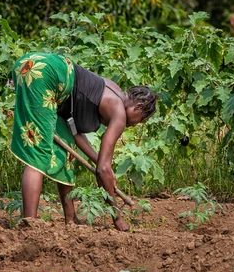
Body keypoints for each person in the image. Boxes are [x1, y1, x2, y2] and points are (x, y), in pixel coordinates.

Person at [9, 52, 157, 231]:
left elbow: (75, 133)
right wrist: (117, 217)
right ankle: (29, 225)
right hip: (46, 74)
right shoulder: (119, 113)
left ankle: (70, 221)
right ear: (138, 107)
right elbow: (102, 171)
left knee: (66, 150)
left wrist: (100, 162)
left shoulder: (114, 90)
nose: (134, 125)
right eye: (140, 119)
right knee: (38, 153)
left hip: (32, 63)